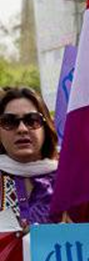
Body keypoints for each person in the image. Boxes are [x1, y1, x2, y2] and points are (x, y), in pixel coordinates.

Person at [0, 87, 58, 225]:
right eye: (9, 122)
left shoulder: (72, 183)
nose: (22, 129)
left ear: (46, 128)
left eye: (32, 120)